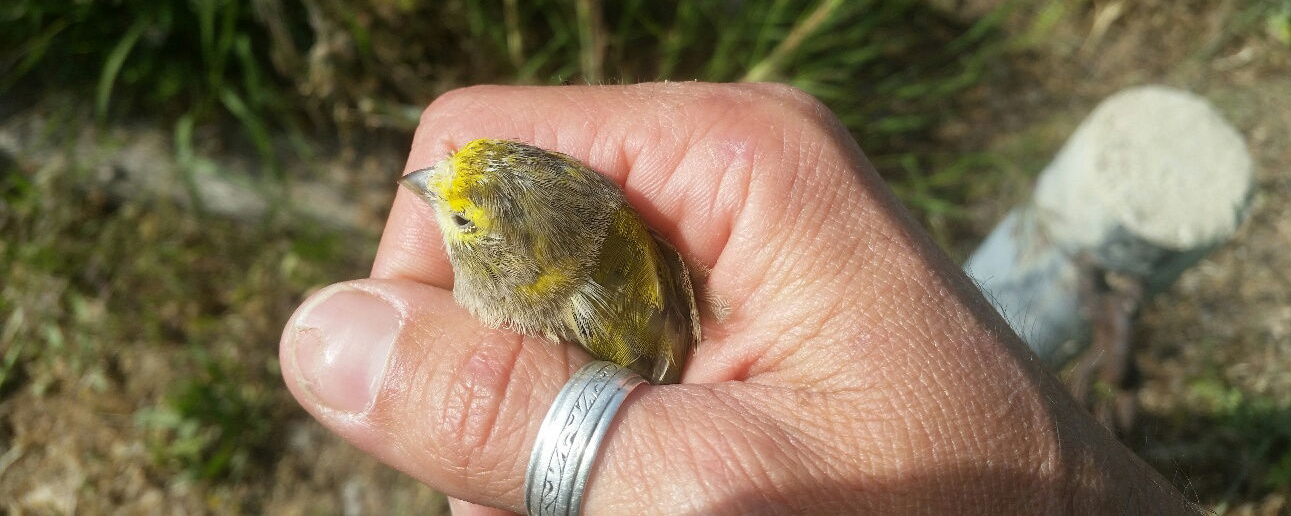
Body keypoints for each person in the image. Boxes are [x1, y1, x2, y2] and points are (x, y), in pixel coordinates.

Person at [280, 83, 1194, 514]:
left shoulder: (534, 305)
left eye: (463, 212)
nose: (428, 182)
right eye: (459, 188)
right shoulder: (586, 233)